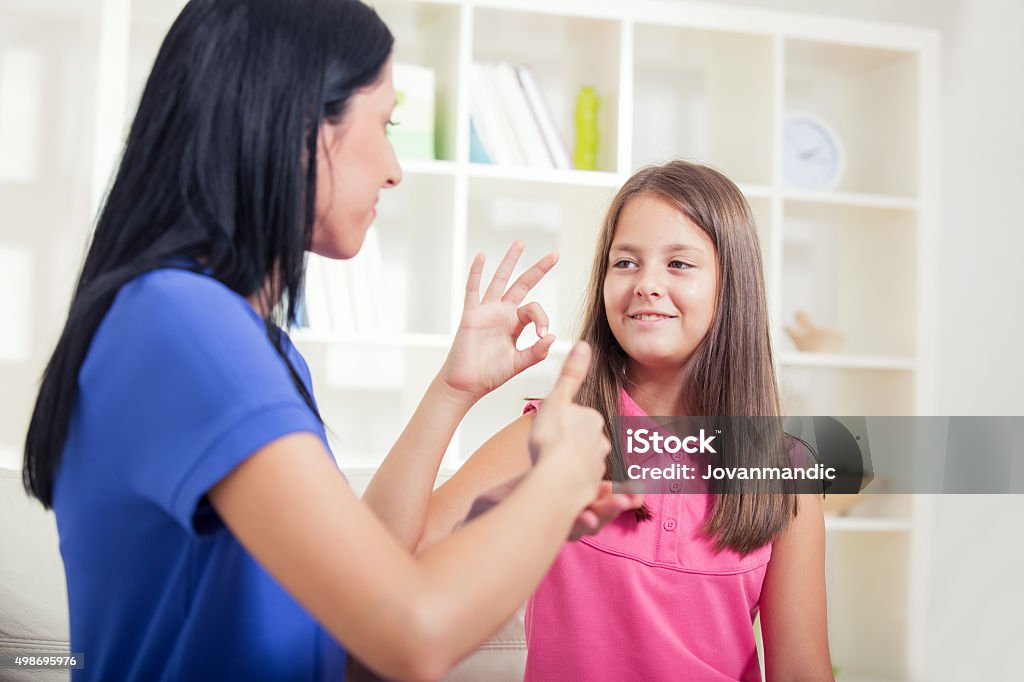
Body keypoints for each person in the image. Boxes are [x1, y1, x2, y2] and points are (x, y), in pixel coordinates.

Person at [21, 1, 641, 679]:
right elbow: (409, 634)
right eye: (386, 122)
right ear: (299, 127)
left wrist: (453, 396)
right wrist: (555, 485)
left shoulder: (246, 340)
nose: (396, 169)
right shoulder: (183, 325)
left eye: (682, 264)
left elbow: (353, 605)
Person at [419, 160, 835, 680]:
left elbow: (801, 670)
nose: (646, 284)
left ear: (732, 287)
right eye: (626, 263)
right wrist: (451, 393)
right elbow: (386, 563)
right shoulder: (554, 435)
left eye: (679, 264)